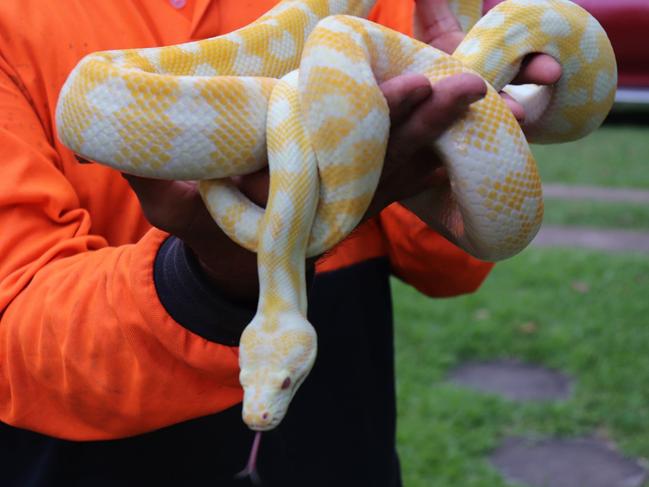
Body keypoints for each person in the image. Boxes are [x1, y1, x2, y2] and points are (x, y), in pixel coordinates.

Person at [0, 0, 560, 485]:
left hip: (341, 455)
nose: (259, 410)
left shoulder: (362, 16)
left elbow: (450, 268)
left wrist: (452, 138)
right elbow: (14, 337)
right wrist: (211, 277)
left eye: (274, 379)